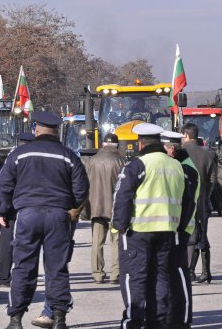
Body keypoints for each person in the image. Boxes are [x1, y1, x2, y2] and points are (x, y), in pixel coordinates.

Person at [0, 112, 89, 329]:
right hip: (58, 215)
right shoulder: (68, 155)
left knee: (23, 267)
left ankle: (15, 319)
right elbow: (82, 189)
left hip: (27, 215)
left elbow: (4, 185)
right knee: (56, 268)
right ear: (56, 131)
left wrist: (5, 211)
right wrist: (67, 206)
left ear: (36, 130)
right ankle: (59, 319)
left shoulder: (19, 154)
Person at [112, 123, 186, 328]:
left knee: (134, 279)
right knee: (160, 278)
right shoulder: (176, 165)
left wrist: (120, 226)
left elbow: (122, 198)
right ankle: (157, 322)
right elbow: (186, 199)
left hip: (138, 232)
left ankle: (132, 322)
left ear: (140, 142)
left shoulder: (137, 165)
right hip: (167, 232)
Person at [161, 130, 198, 328]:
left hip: (180, 229)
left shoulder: (185, 169)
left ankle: (181, 319)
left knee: (178, 277)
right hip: (176, 227)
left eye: (165, 148)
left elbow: (188, 202)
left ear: (172, 149)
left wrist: (180, 229)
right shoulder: (183, 165)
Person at [0, 133, 35, 288]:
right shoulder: (42, 158)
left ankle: (4, 276)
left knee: (7, 243)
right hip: (37, 207)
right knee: (33, 244)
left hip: (14, 207)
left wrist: (2, 211)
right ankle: (27, 277)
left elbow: (5, 186)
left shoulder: (14, 157)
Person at [85, 133, 124, 284]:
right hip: (115, 209)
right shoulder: (121, 161)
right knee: (116, 242)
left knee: (97, 242)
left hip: (96, 208)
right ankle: (116, 274)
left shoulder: (92, 161)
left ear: (102, 144)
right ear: (117, 145)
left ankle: (97, 274)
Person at [181, 123, 217, 284]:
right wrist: (205, 195)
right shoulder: (208, 154)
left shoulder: (180, 154)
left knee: (189, 237)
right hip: (202, 203)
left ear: (186, 135)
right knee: (201, 234)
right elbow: (213, 180)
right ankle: (205, 271)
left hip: (183, 203)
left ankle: (189, 271)